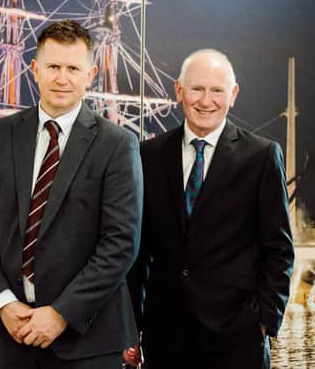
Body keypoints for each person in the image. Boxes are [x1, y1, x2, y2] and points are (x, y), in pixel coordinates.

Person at [0, 19, 143, 368]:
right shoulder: (1, 135)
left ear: (90, 74)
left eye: (73, 68)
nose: (62, 78)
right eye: (53, 67)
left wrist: (61, 313)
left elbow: (121, 243)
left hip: (88, 340)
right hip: (14, 333)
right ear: (35, 70)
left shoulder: (117, 144)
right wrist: (3, 302)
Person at [126, 49, 294, 369]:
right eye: (196, 89)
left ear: (233, 95)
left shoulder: (261, 157)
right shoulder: (148, 155)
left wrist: (263, 322)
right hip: (164, 340)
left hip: (238, 341)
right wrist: (131, 327)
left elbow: (279, 250)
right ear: (178, 91)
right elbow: (137, 252)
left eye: (217, 90)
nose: (206, 100)